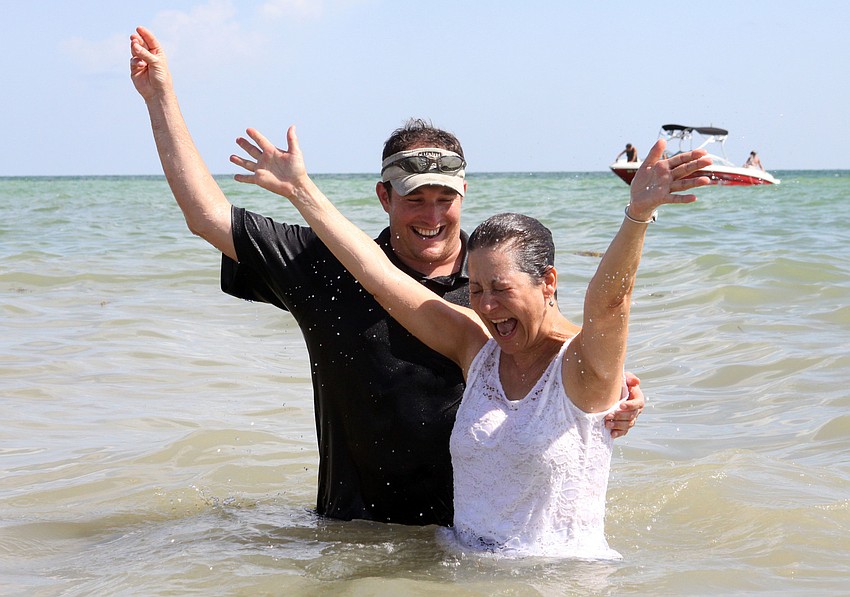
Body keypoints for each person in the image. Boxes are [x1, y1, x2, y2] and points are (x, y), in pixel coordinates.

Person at [128, 26, 644, 528]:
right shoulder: (330, 262)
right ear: (384, 197)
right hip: (352, 532)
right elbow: (207, 217)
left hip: (471, 536)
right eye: (414, 198)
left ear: (464, 194)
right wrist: (161, 98)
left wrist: (619, 391)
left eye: (445, 199)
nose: (432, 215)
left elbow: (572, 354)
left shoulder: (496, 288)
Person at [228, 126, 712, 557]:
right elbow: (377, 276)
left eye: (501, 290)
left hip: (557, 583)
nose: (485, 306)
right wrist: (299, 189)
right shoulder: (477, 348)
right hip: (462, 571)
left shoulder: (584, 370)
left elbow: (609, 306)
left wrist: (638, 214)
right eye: (476, 289)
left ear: (547, 283)